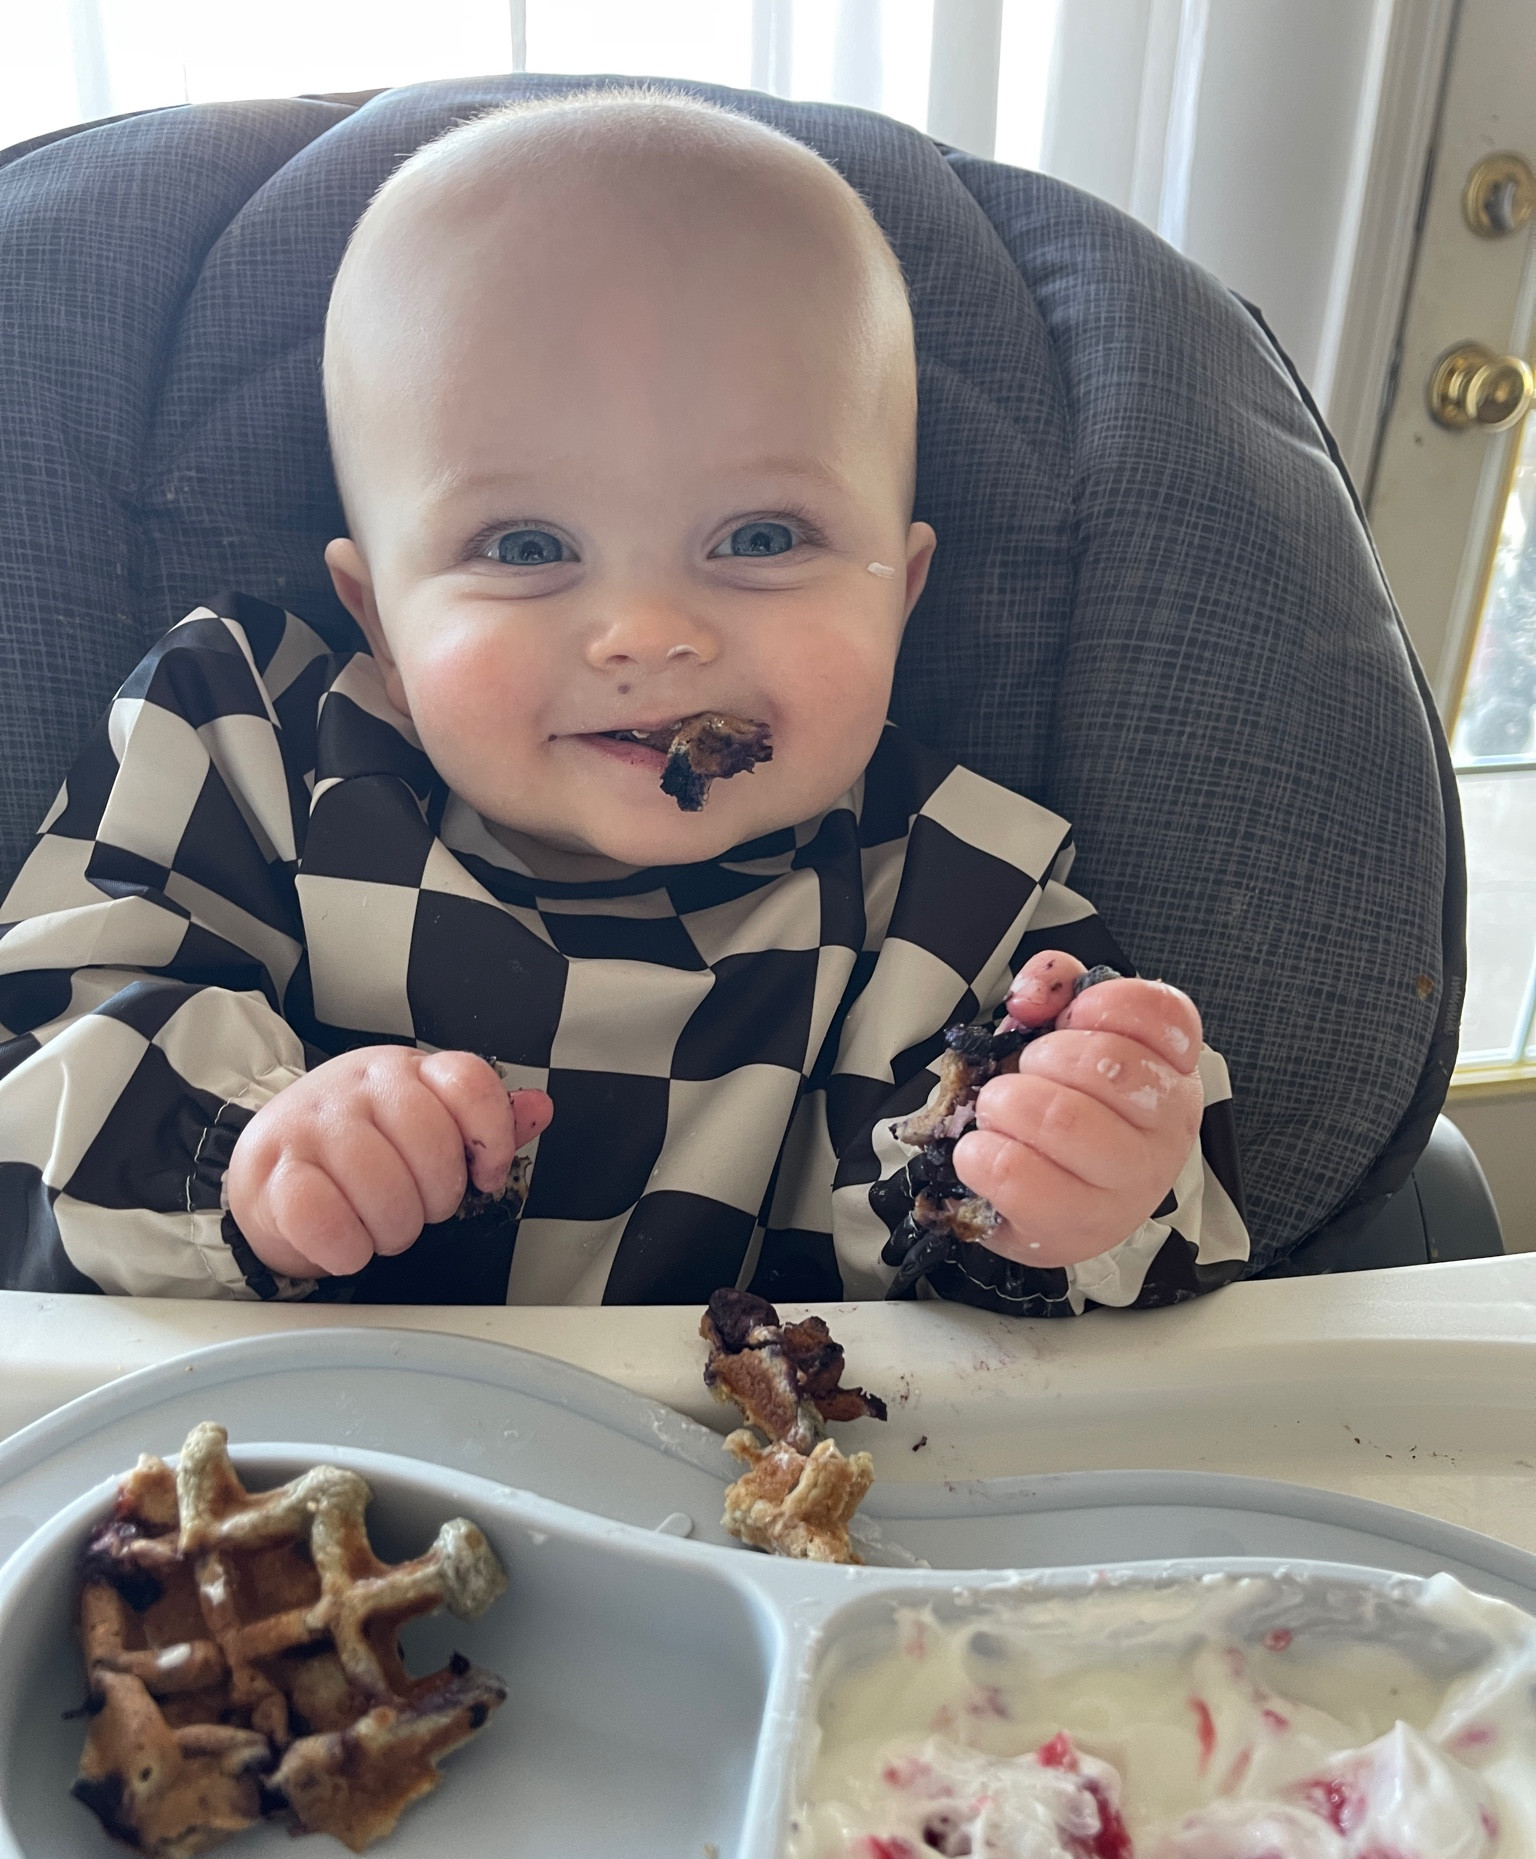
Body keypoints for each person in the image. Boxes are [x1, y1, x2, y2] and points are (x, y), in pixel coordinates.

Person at [0, 90, 1248, 1313]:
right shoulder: (248, 748)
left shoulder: (957, 893)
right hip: (287, 1463)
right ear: (375, 613)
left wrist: (1078, 1172)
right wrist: (258, 1154)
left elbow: (1125, 1259)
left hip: (768, 1493)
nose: (650, 633)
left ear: (902, 593)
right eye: (527, 544)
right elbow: (42, 1060)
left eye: (763, 534)